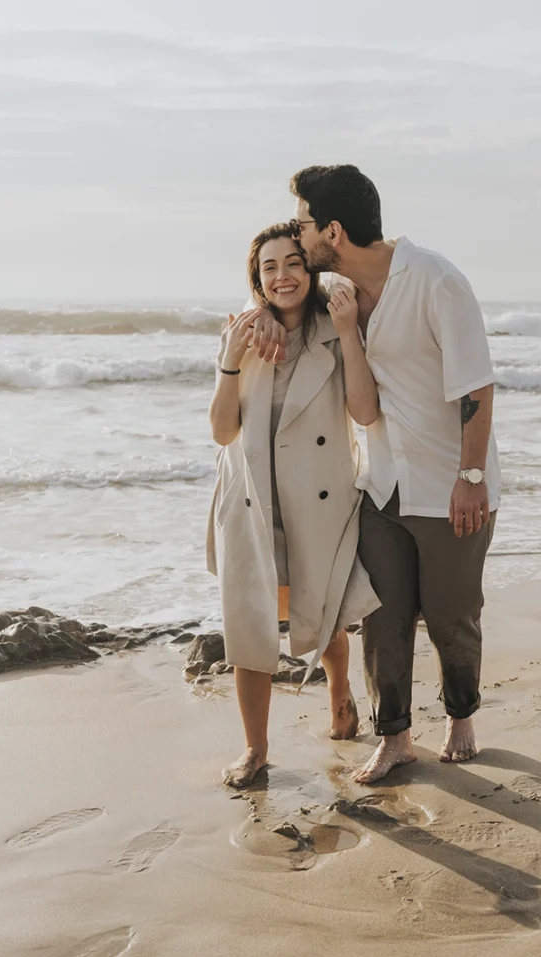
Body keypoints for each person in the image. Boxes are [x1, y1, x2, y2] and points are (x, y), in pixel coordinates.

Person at [254, 165, 501, 784]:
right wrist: (257, 318)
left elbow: (476, 384)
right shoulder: (339, 295)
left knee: (451, 615)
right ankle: (394, 737)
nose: (300, 234)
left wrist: (471, 474)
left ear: (333, 231)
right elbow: (281, 303)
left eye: (307, 224)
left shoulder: (437, 280)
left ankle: (461, 716)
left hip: (452, 485)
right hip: (382, 484)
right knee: (382, 617)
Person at [207, 223, 381, 788]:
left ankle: (338, 689)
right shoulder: (242, 333)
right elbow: (221, 432)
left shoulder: (336, 325)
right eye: (269, 268)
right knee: (251, 623)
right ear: (256, 280)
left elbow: (363, 413)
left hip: (318, 493)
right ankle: (255, 749)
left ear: (310, 270)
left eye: (293, 264)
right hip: (252, 496)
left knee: (319, 607)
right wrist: (231, 361)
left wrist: (351, 334)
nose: (282, 276)